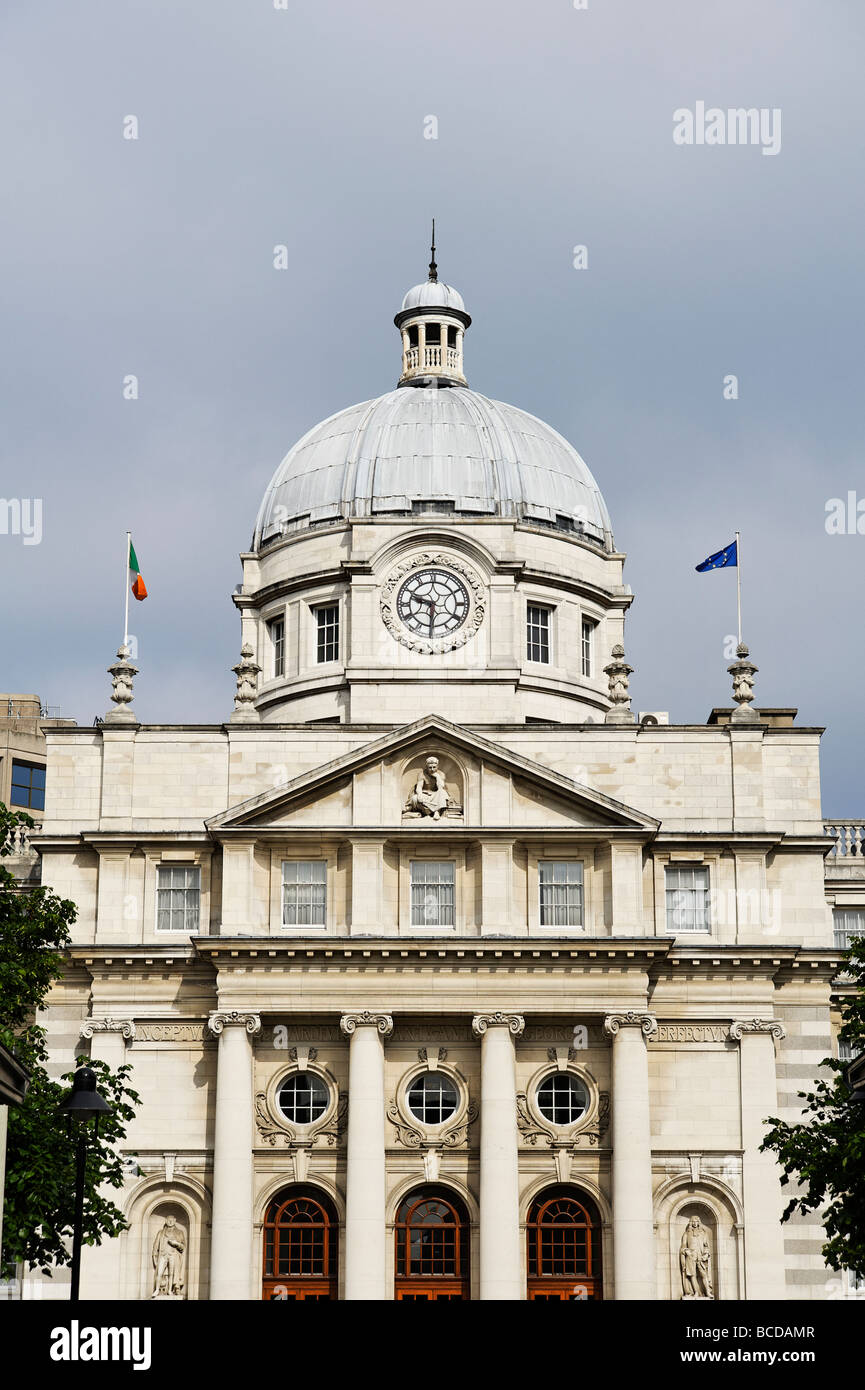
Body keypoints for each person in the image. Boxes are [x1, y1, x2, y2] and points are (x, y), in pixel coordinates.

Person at [151, 1215, 186, 1298]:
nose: (170, 1221)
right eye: (168, 1220)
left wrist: (176, 1244)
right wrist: (154, 1256)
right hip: (163, 1255)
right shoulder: (161, 1232)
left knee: (171, 1274)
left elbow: (183, 1247)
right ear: (166, 1221)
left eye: (172, 1220)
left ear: (175, 1220)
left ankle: (170, 1290)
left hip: (173, 1255)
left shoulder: (179, 1232)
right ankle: (157, 1289)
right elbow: (156, 1245)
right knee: (159, 1273)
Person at [680, 1214, 713, 1299]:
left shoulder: (703, 1233)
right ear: (691, 1222)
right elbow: (683, 1245)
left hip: (700, 1256)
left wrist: (706, 1253)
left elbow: (706, 1246)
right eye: (693, 1221)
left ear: (699, 1222)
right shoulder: (687, 1233)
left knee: (704, 1275)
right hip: (691, 1256)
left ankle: (708, 1292)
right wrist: (686, 1250)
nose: (695, 1223)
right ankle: (696, 1292)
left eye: (696, 1221)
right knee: (692, 1275)